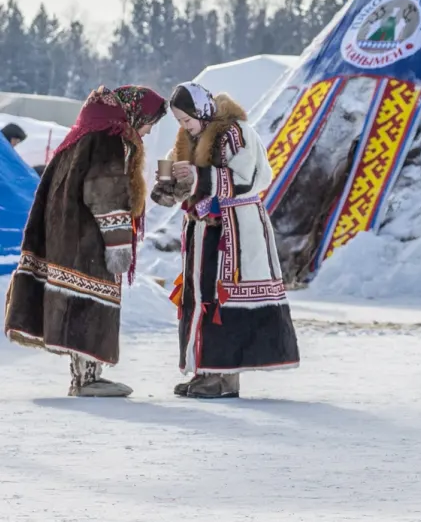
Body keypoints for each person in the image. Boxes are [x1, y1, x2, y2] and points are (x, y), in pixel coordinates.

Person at [4, 85, 168, 396]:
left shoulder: (80, 135)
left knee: (76, 301)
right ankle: (89, 378)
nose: (146, 130)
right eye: (148, 122)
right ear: (135, 112)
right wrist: (118, 244)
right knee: (90, 302)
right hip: (88, 238)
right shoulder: (108, 139)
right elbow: (105, 193)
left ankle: (83, 376)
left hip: (65, 235)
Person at [149, 83, 302, 398]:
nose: (183, 125)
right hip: (202, 229)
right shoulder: (185, 141)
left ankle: (225, 377)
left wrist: (197, 176)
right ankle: (204, 369)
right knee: (200, 295)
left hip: (235, 230)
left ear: (201, 109)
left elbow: (247, 178)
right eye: (179, 121)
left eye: (186, 119)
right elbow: (183, 185)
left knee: (223, 298)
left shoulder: (236, 132)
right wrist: (168, 185)